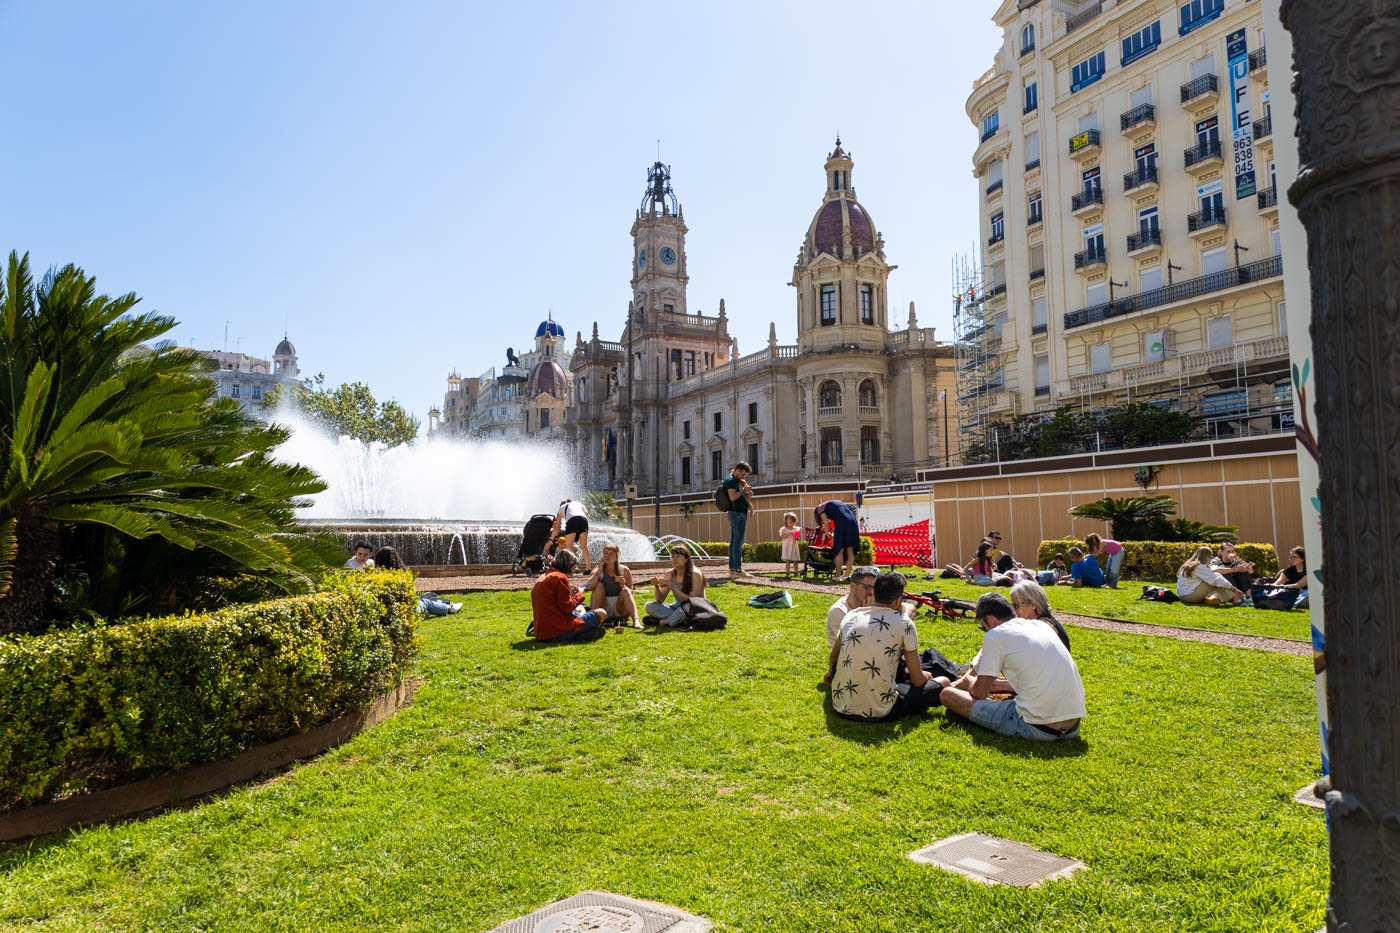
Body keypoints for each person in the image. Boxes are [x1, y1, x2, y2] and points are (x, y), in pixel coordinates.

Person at [935, 593, 1085, 742]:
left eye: (983, 627)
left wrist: (971, 681)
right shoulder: (1041, 625)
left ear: (989, 619)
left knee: (947, 695)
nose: (986, 632)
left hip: (1036, 727)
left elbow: (979, 693)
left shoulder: (995, 635)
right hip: (1073, 728)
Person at [828, 571, 943, 722]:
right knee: (942, 683)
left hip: (841, 704)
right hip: (881, 710)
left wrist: (830, 673)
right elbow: (918, 680)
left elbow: (834, 657)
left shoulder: (851, 615)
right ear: (897, 601)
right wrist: (926, 676)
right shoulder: (904, 622)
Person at [530, 550, 603, 642]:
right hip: (556, 632)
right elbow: (567, 608)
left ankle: (582, 633)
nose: (573, 570)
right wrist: (579, 594)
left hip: (541, 631)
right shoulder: (560, 577)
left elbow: (554, 602)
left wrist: (571, 595)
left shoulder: (544, 576)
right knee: (601, 613)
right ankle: (580, 634)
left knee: (580, 608)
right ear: (568, 565)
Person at [373, 547, 461, 616]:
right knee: (425, 603)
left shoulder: (374, 576)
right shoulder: (402, 576)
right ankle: (449, 608)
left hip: (382, 612)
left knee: (423, 602)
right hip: (406, 612)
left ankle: (427, 610)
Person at [644, 546, 708, 628]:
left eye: (678, 556)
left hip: (696, 606)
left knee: (687, 607)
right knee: (649, 606)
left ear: (686, 559)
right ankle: (681, 620)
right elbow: (659, 600)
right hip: (678, 607)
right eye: (672, 556)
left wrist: (674, 588)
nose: (674, 559)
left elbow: (693, 600)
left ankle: (663, 622)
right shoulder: (670, 574)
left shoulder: (695, 574)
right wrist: (656, 587)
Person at [583, 542, 639, 631]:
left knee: (626, 591)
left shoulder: (624, 570)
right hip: (603, 605)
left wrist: (623, 586)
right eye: (605, 553)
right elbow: (588, 586)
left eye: (611, 554)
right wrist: (599, 570)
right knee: (598, 586)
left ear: (616, 557)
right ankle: (593, 620)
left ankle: (636, 621)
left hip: (619, 606)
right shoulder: (597, 570)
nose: (607, 556)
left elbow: (630, 592)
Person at [825, 566, 878, 653]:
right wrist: (867, 613)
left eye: (874, 588)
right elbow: (855, 644)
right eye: (867, 587)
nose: (871, 592)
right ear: (853, 585)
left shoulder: (872, 605)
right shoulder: (839, 611)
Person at [1008, 579, 1070, 652]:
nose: (1014, 611)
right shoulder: (1046, 621)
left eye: (1016, 606)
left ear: (1033, 604)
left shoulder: (1042, 627)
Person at [1176, 545, 1246, 606]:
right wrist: (1235, 590)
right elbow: (1216, 580)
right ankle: (1237, 599)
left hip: (1185, 595)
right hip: (1189, 596)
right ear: (1208, 557)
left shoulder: (1193, 565)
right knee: (1216, 581)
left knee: (1216, 578)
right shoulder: (1199, 567)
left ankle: (1232, 599)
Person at [814, 499, 861, 582]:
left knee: (839, 550)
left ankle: (838, 575)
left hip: (842, 523)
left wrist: (827, 532)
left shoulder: (821, 509)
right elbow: (843, 515)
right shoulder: (833, 503)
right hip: (853, 522)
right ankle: (847, 575)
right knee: (850, 550)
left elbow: (826, 523)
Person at [722, 461, 756, 577]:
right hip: (737, 514)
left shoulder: (733, 480)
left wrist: (746, 494)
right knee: (738, 542)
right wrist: (743, 490)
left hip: (736, 513)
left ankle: (733, 569)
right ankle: (737, 570)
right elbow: (732, 497)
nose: (743, 477)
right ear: (737, 470)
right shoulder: (731, 480)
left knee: (734, 542)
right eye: (742, 474)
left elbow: (738, 496)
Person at [555, 498, 592, 573]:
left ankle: (570, 568)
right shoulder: (578, 503)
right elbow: (586, 512)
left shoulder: (561, 508)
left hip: (572, 520)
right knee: (584, 546)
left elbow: (557, 525)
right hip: (583, 519)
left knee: (568, 547)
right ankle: (588, 568)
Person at [779, 511, 803, 578]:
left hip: (794, 546)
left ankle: (796, 572)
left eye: (793, 522)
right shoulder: (783, 529)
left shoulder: (796, 529)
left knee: (795, 560)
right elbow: (782, 536)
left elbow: (798, 538)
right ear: (786, 521)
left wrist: (795, 535)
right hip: (787, 547)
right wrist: (789, 533)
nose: (792, 524)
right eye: (790, 522)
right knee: (788, 560)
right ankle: (788, 572)